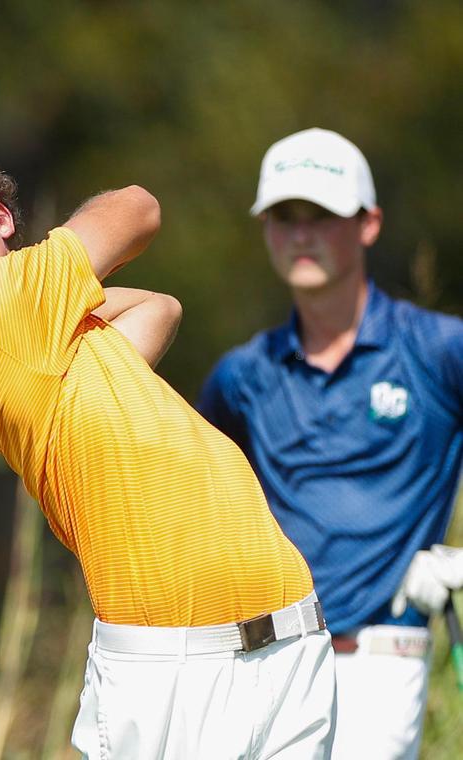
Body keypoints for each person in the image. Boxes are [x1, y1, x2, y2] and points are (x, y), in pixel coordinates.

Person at [0, 141, 336, 758]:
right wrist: (40, 289)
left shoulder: (27, 331)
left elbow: (159, 310)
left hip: (287, 642)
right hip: (179, 673)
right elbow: (138, 208)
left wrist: (54, 302)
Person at [197, 127, 463, 760]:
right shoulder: (244, 374)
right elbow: (195, 505)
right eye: (284, 218)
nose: (301, 234)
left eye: (321, 216)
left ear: (368, 224)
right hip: (260, 661)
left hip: (379, 662)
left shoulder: (437, 351)